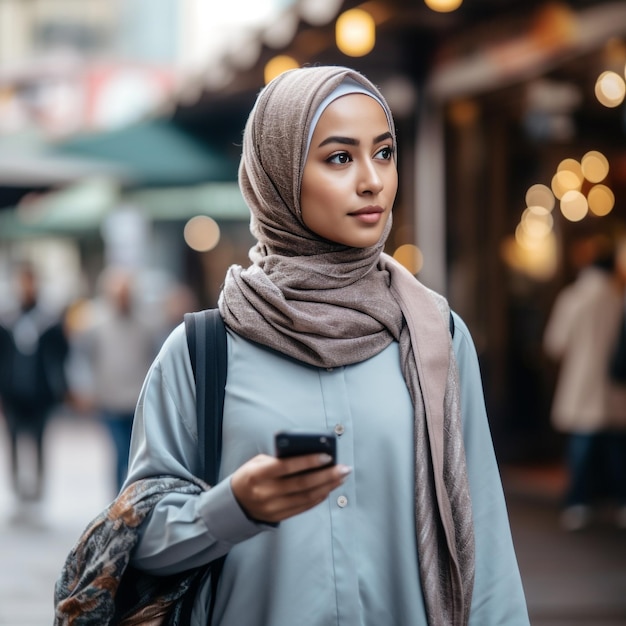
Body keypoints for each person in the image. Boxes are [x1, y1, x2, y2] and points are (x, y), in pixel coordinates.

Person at [123, 66, 529, 625]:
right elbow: (136, 540)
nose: (373, 181)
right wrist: (232, 508)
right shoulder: (201, 352)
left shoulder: (437, 336)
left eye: (384, 153)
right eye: (340, 158)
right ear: (279, 174)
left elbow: (483, 538)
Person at [544, 235, 626, 531]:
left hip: (581, 380)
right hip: (615, 384)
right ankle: (621, 502)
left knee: (582, 444)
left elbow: (555, 343)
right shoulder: (619, 298)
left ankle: (577, 502)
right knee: (617, 444)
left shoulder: (574, 298)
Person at [73, 267, 158, 493]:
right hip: (109, 399)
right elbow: (82, 357)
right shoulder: (95, 323)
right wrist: (84, 388)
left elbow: (156, 357)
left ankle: (131, 496)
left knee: (137, 454)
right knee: (120, 450)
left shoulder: (147, 323)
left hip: (139, 399)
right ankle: (119, 497)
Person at [0, 261, 69, 503]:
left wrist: (60, 385)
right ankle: (18, 489)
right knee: (14, 440)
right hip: (12, 392)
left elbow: (62, 354)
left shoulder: (50, 320)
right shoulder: (7, 320)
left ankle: (38, 489)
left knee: (40, 440)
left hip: (41, 392)